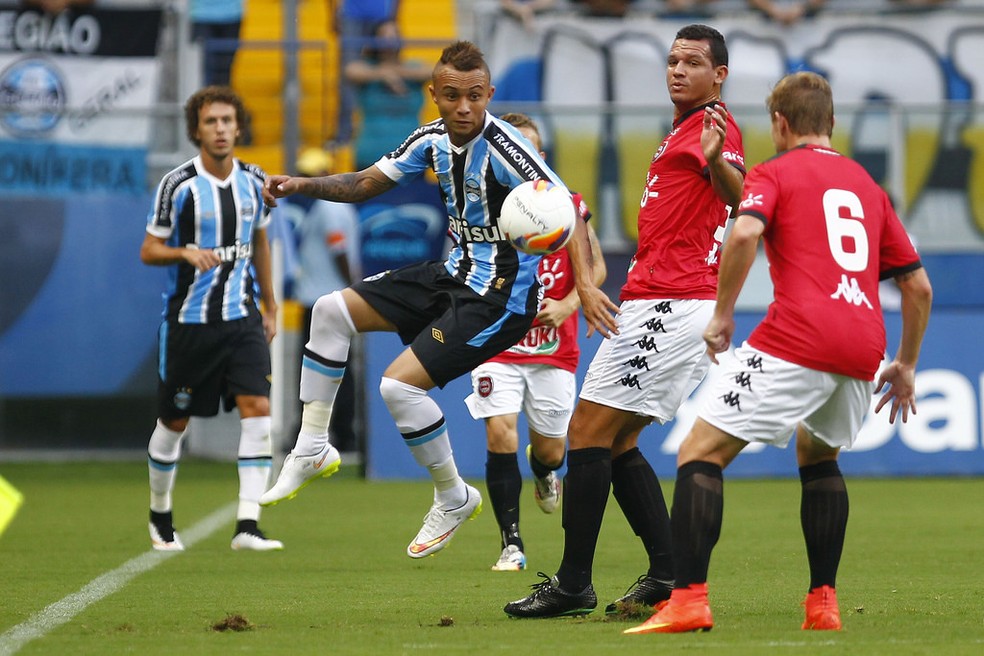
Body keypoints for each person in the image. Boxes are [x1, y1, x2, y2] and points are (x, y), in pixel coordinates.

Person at [259, 41, 619, 560]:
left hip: (500, 298)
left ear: (489, 94)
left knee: (397, 389)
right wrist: (301, 184)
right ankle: (312, 447)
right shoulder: (430, 140)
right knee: (329, 312)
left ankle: (453, 496)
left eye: (475, 96)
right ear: (435, 96)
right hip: (451, 275)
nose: (465, 107)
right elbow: (364, 182)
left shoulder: (507, 146)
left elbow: (568, 212)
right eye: (452, 96)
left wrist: (584, 286)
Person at [624, 71, 933, 635]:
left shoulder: (775, 171)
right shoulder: (867, 185)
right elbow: (918, 287)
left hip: (799, 336)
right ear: (832, 124)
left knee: (698, 452)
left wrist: (721, 314)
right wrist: (907, 364)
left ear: (780, 124)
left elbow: (742, 235)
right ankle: (822, 604)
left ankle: (689, 599)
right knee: (819, 456)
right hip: (865, 345)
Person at [504, 23, 745, 618]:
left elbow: (741, 196)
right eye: (672, 61)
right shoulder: (680, 132)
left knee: (585, 432)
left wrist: (718, 164)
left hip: (671, 303)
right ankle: (666, 574)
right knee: (618, 442)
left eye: (692, 62)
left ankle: (572, 583)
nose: (677, 70)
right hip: (659, 300)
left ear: (719, 75)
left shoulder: (717, 127)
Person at [140, 85, 283, 552]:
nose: (220, 129)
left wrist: (271, 305)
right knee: (173, 424)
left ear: (238, 126)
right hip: (189, 324)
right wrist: (184, 251)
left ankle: (248, 524)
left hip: (242, 318)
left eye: (227, 121)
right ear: (196, 131)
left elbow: (260, 242)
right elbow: (148, 249)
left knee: (258, 410)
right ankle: (160, 516)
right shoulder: (177, 185)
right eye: (210, 122)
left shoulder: (254, 180)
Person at [465, 112, 607, 572]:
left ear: (539, 158)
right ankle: (511, 543)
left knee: (552, 449)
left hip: (552, 350)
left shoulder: (566, 205)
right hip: (496, 344)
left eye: (527, 150)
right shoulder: (479, 210)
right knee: (499, 430)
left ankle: (545, 471)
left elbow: (597, 267)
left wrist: (569, 303)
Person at [282, 148, 362, 455]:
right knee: (336, 370)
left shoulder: (327, 208)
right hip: (330, 298)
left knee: (319, 372)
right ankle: (340, 433)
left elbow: (338, 250)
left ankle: (327, 433)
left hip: (322, 301)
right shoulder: (334, 207)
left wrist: (352, 290)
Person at [343, 19, 431, 171]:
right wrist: (383, 74)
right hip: (371, 157)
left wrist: (395, 73)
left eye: (393, 35)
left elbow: (434, 71)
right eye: (383, 36)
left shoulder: (413, 68)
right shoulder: (367, 69)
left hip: (411, 158)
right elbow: (351, 71)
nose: (389, 41)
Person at [190, 0, 244, 87]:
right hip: (202, 14)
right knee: (207, 64)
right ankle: (207, 95)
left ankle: (222, 95)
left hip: (232, 14)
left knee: (226, 65)